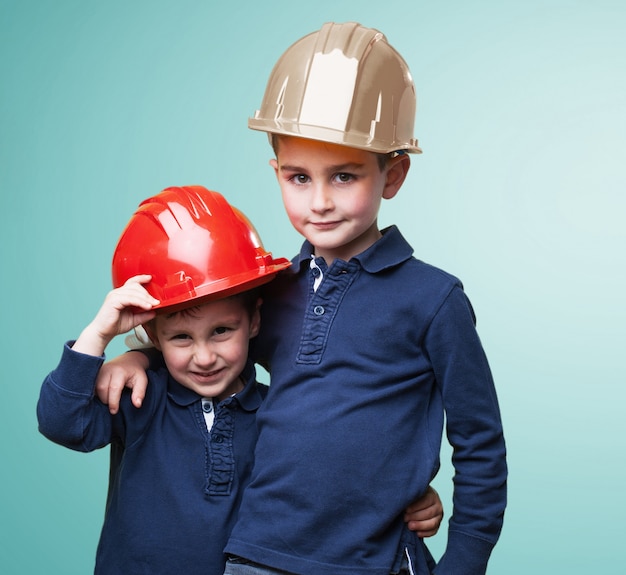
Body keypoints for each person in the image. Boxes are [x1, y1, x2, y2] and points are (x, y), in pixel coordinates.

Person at [98, 21, 504, 574]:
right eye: (297, 177)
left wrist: (463, 560)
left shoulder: (433, 300)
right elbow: (208, 335)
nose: (319, 202)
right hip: (254, 557)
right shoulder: (274, 286)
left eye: (343, 176)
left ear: (394, 173)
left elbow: (481, 445)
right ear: (276, 173)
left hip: (372, 561)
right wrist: (139, 354)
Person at [37, 186, 292, 575]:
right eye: (181, 338)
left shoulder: (279, 412)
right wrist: (99, 335)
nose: (204, 357)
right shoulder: (140, 396)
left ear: (254, 321)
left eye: (222, 330)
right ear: (154, 336)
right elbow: (61, 423)